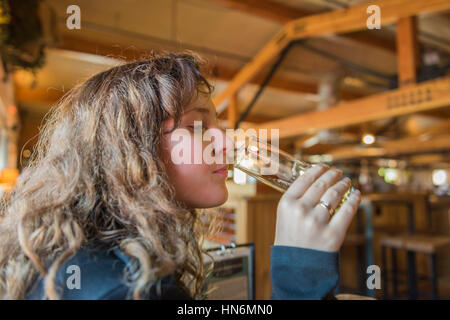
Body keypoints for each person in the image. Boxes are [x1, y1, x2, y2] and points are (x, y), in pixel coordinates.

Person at [0, 51, 361, 300]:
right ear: (130, 148)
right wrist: (299, 270)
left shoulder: (102, 251)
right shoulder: (121, 288)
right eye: (197, 126)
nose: (226, 144)